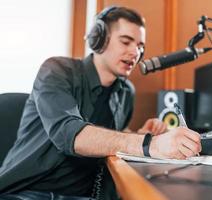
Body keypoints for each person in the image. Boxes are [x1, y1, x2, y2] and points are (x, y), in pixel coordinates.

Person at [0, 6, 201, 200]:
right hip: (27, 191)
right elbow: (69, 134)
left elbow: (110, 136)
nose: (135, 53)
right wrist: (151, 144)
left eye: (140, 47)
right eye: (126, 42)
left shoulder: (125, 92)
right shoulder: (56, 70)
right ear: (99, 39)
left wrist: (139, 134)